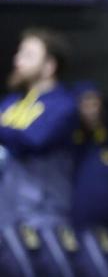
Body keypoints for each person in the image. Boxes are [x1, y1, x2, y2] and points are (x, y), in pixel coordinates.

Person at [0, 28, 78, 230]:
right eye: (19, 54)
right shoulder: (12, 102)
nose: (18, 60)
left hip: (44, 213)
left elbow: (34, 139)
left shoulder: (63, 105)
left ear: (49, 66)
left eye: (28, 55)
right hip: (7, 210)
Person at [71, 82, 108, 233]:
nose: (92, 110)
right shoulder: (67, 144)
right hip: (72, 226)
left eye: (95, 104)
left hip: (106, 227)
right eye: (85, 104)